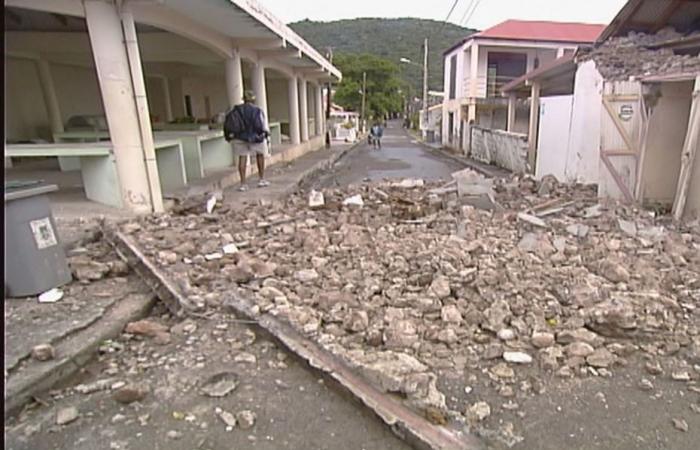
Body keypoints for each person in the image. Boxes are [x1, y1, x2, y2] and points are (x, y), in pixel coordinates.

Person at [224, 90, 270, 191]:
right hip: (255, 137)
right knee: (260, 155)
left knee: (242, 158)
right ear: (253, 99)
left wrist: (228, 137)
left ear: (243, 99)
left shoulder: (236, 110)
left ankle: (243, 183)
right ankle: (261, 179)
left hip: (240, 137)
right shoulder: (257, 110)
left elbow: (229, 124)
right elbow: (259, 126)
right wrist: (264, 133)